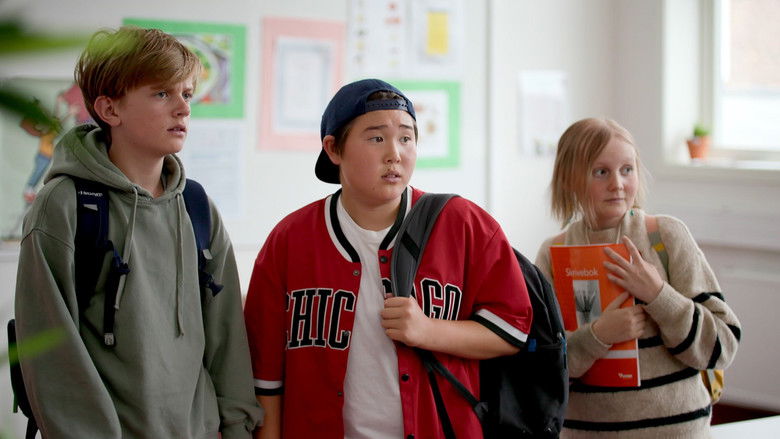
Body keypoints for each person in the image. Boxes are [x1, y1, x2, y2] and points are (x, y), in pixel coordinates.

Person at [244, 78, 533, 439]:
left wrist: (429, 331)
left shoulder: (463, 224)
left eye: (407, 138)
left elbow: (512, 330)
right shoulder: (289, 239)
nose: (395, 153)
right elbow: (265, 378)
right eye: (377, 138)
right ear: (333, 149)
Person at [14, 26, 262, 438]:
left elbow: (227, 340)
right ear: (110, 109)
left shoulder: (198, 207)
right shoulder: (63, 206)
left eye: (186, 94)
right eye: (162, 93)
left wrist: (237, 429)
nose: (182, 109)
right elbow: (51, 355)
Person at [534, 117, 741, 438]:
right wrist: (598, 335)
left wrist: (659, 295)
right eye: (601, 172)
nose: (617, 183)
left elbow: (721, 347)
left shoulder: (666, 237)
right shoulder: (553, 253)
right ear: (569, 180)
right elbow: (542, 370)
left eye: (627, 169)